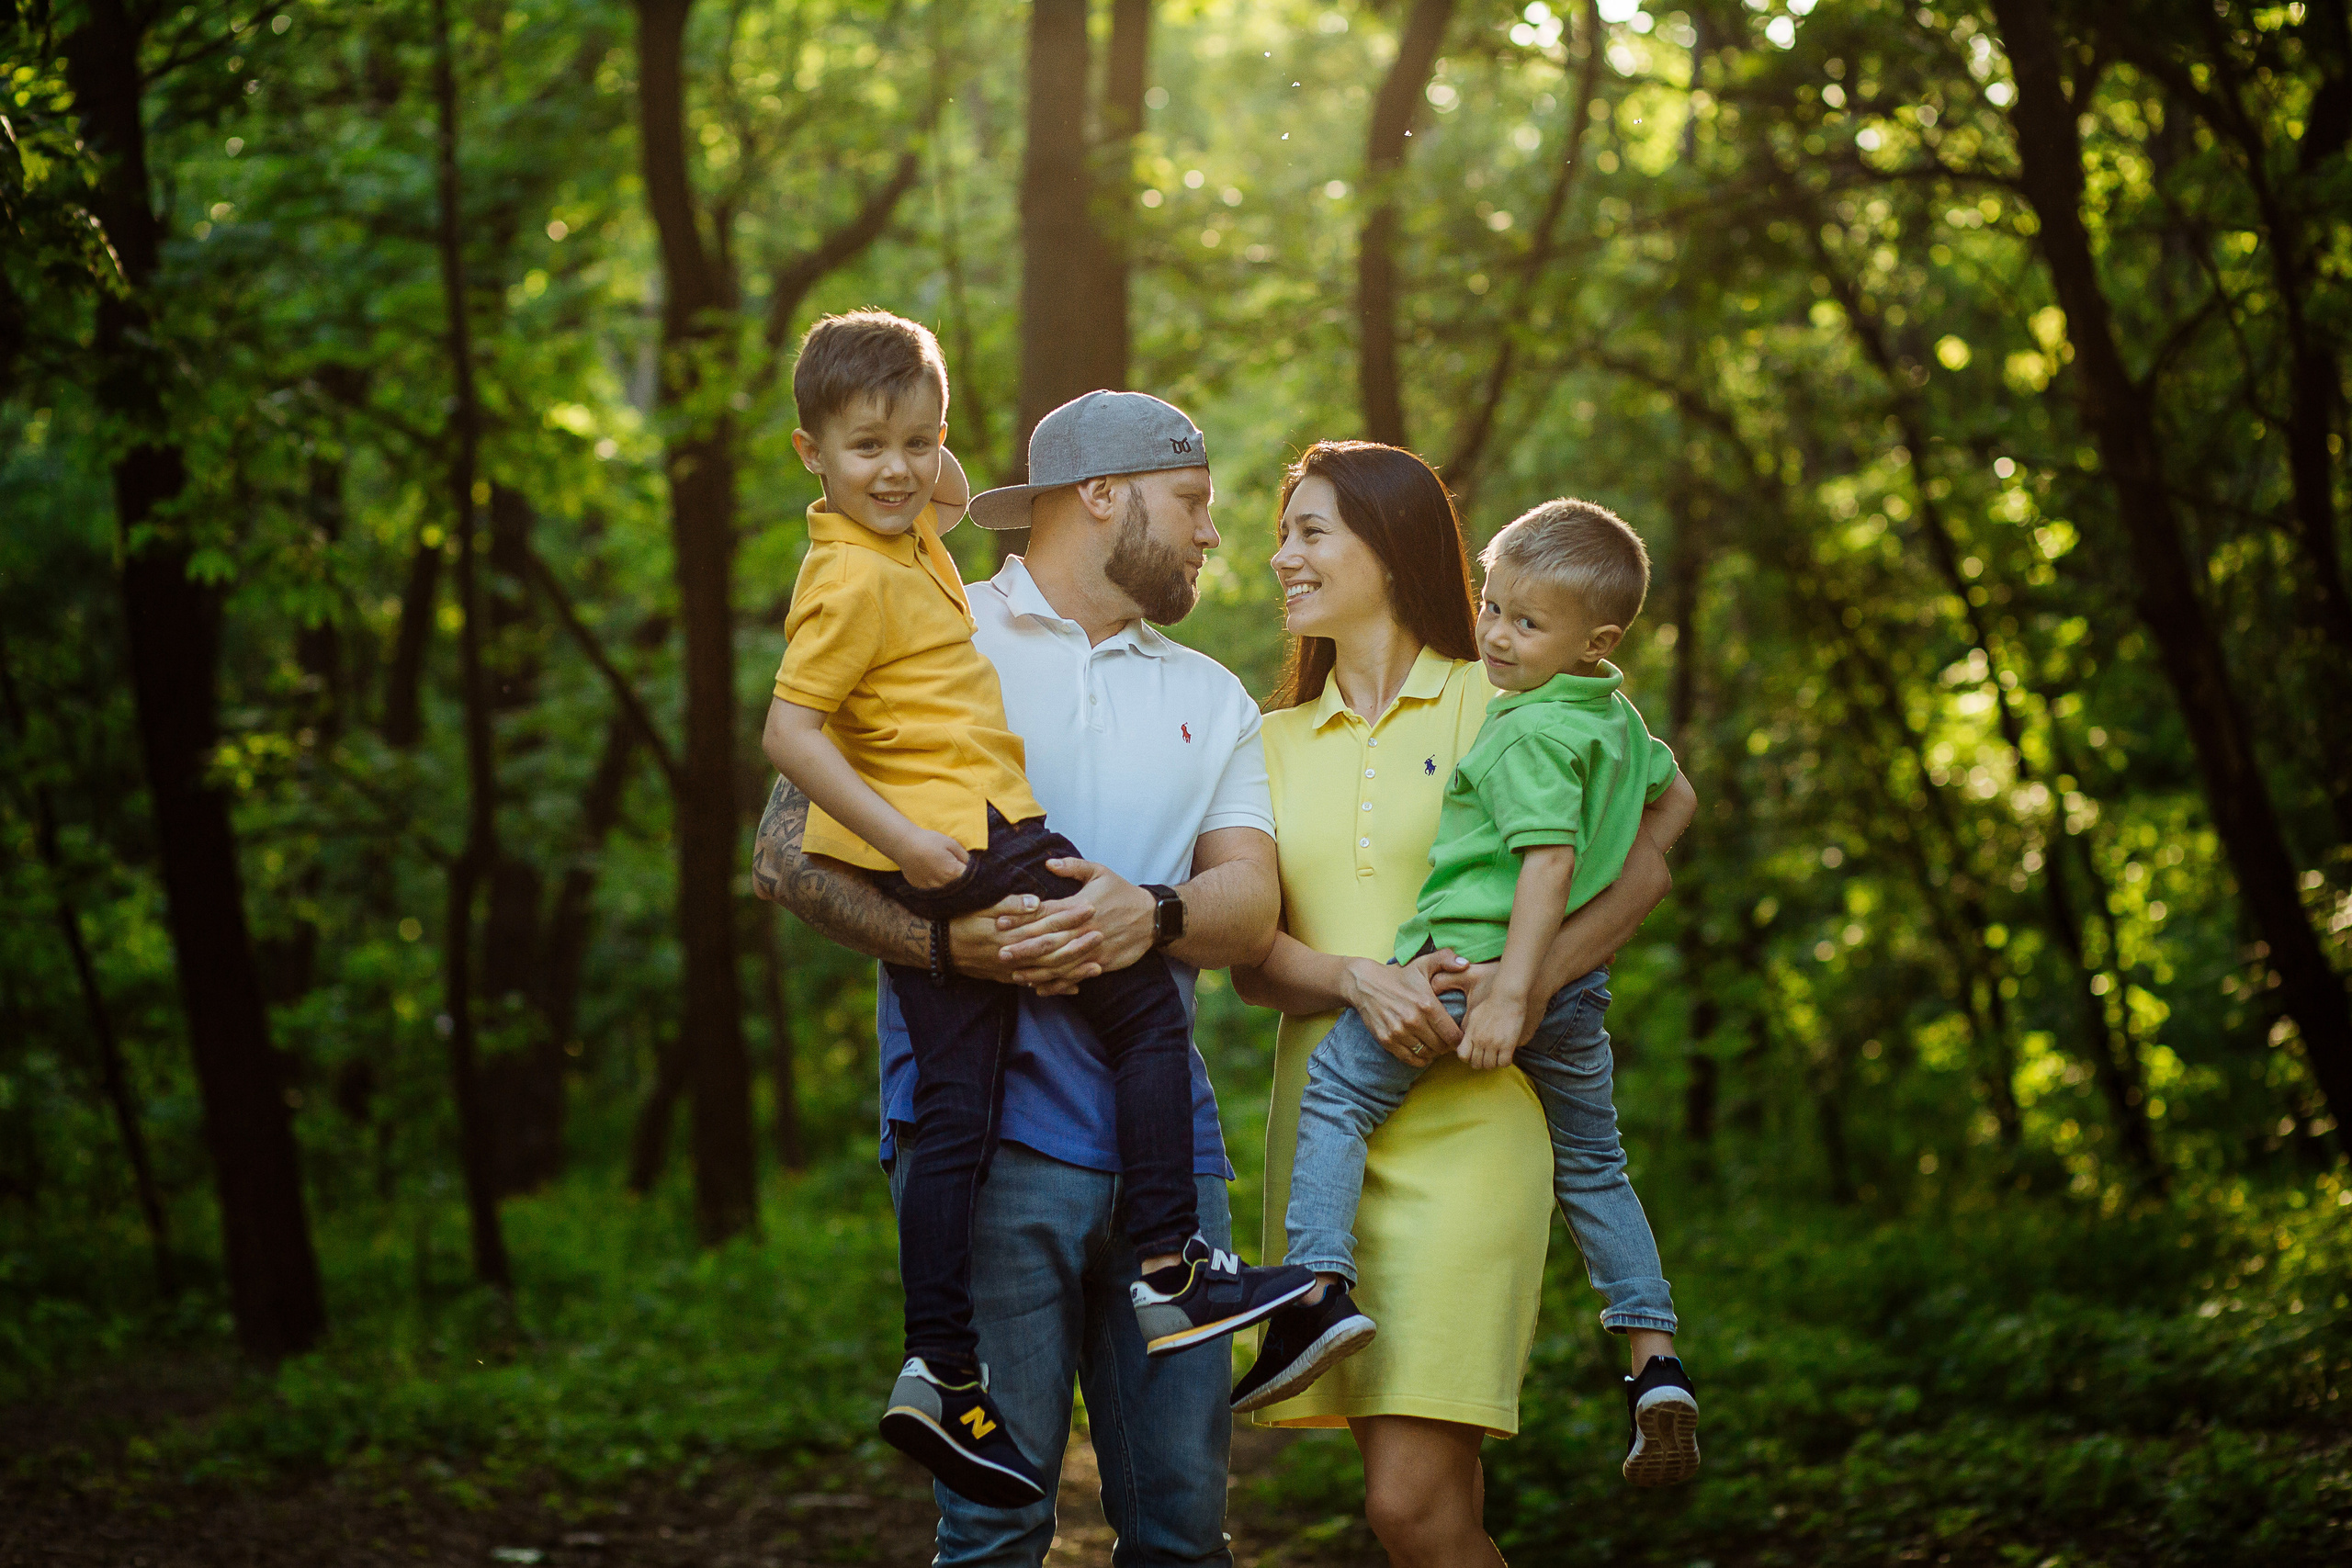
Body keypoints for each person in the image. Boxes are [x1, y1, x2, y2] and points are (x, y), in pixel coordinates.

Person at [759, 316, 1312, 1508]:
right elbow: (785, 856)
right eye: (1195, 499)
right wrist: (945, 940)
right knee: (998, 1530)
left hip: (1173, 1162)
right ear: (1104, 494)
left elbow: (1252, 905)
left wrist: (1151, 914)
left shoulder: (1214, 695)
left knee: (1180, 1524)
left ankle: (1183, 1267)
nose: (1218, 530)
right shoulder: (934, 622)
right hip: (990, 1148)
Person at [1230, 445, 1693, 1567]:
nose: (1280, 554)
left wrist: (1523, 988)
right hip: (1332, 1134)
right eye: (1282, 531)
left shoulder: (1508, 686)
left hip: (1477, 1117)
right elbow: (1250, 958)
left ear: (1388, 550)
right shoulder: (1264, 739)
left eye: (1309, 531)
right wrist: (1355, 978)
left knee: (1410, 1506)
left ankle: (1652, 1362)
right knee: (1432, 1517)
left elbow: (1657, 837)